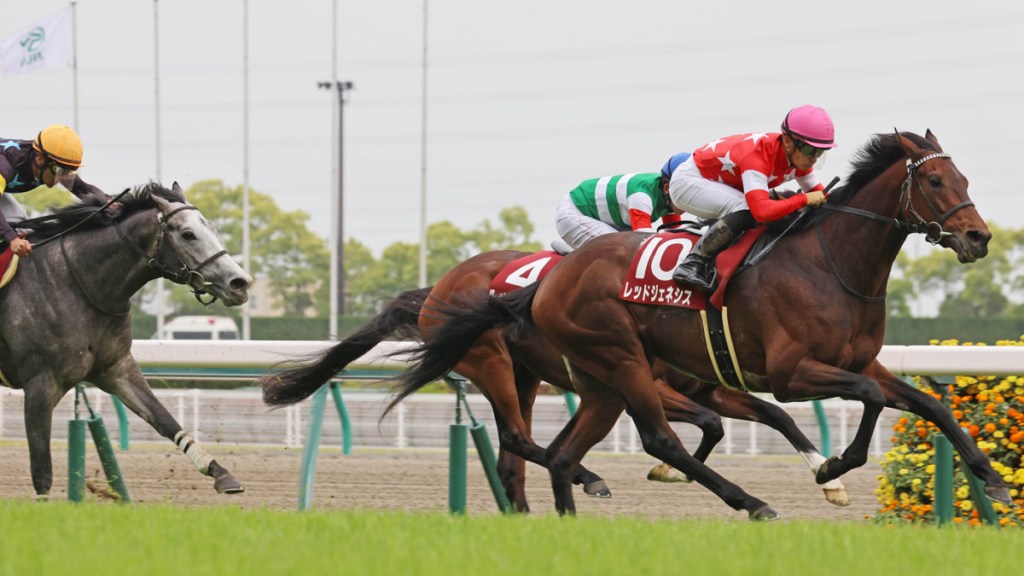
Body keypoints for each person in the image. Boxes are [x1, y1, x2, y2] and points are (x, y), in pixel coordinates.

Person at [668, 105, 835, 291]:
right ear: (788, 142)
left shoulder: (797, 158)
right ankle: (691, 263)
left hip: (720, 183)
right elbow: (762, 211)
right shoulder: (758, 156)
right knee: (746, 208)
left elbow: (822, 196)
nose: (814, 158)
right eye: (810, 150)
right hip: (688, 182)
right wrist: (803, 200)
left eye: (820, 152)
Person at [0, 124, 108, 258]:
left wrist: (107, 201)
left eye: (68, 171)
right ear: (39, 158)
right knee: (11, 233)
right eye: (60, 170)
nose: (63, 178)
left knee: (22, 228)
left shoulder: (50, 164)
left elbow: (82, 189)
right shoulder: (6, 165)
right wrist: (12, 239)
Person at [554, 164, 687, 250]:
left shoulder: (669, 199)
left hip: (603, 219)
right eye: (687, 192)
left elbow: (675, 239)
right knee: (619, 250)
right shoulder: (641, 197)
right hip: (574, 213)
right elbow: (647, 245)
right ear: (667, 188)